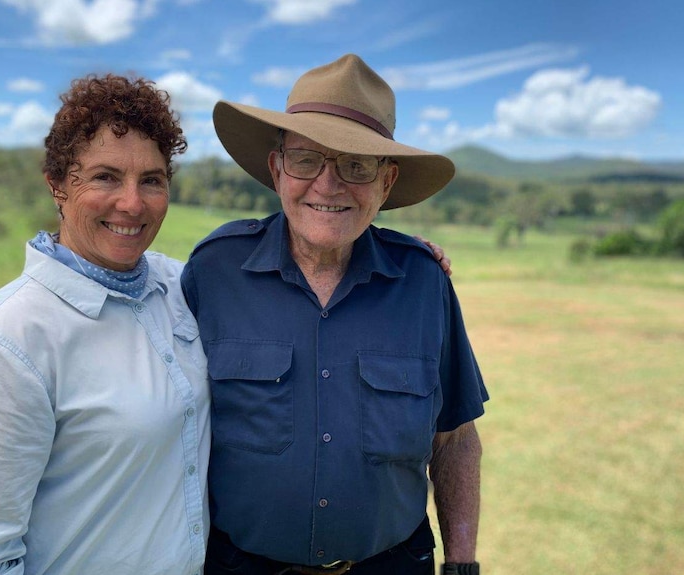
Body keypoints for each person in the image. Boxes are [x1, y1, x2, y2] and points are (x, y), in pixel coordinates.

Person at [181, 54, 488, 575]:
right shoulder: (213, 271)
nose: (328, 184)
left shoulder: (423, 282)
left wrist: (461, 566)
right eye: (306, 160)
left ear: (386, 183)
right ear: (277, 169)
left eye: (356, 164)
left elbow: (455, 440)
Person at [0, 74, 210, 575]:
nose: (132, 203)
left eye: (152, 179)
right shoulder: (9, 340)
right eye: (104, 177)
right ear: (58, 184)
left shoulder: (177, 287)